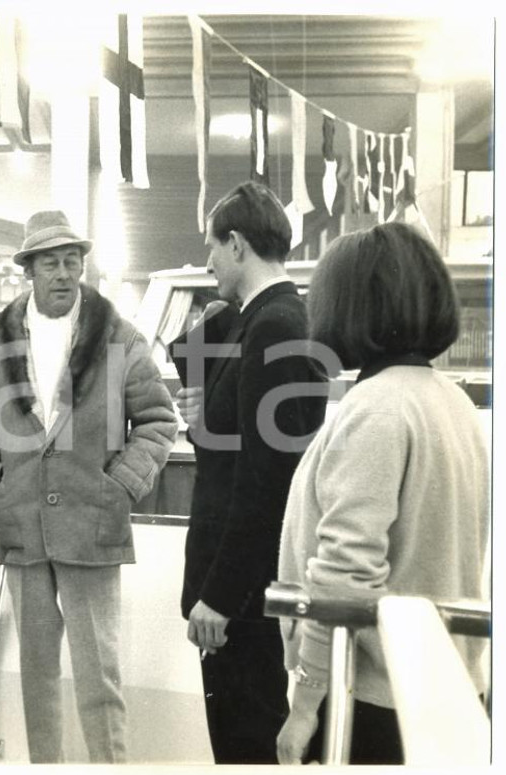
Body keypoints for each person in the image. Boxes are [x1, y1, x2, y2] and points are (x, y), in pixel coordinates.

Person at [0, 210, 177, 763]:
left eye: (72, 260)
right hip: (22, 526)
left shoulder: (118, 336)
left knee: (100, 674)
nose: (63, 273)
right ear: (28, 268)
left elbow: (158, 420)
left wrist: (120, 485)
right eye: (50, 262)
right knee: (37, 674)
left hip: (92, 524)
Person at [275, 222, 489, 765]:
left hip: (369, 700)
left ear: (350, 306)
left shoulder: (376, 410)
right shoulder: (452, 403)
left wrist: (304, 703)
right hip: (448, 686)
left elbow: (344, 576)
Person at [170, 181, 328, 763]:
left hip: (243, 593)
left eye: (212, 247)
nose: (208, 262)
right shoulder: (256, 320)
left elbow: (265, 480)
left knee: (247, 740)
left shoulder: (276, 326)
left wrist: (222, 594)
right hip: (242, 585)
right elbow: (235, 445)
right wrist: (202, 418)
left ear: (236, 244)